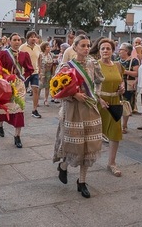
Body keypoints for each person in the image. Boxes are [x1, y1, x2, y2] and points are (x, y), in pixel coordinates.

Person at [53, 35, 104, 198]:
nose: (86, 48)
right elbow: (57, 90)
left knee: (89, 145)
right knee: (73, 144)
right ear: (75, 48)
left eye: (88, 45)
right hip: (73, 109)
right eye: (83, 45)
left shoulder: (92, 63)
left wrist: (96, 95)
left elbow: (99, 80)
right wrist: (74, 95)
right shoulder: (66, 66)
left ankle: (82, 181)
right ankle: (64, 166)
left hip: (89, 107)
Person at [0, 32, 33, 148]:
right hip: (6, 84)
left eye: (18, 40)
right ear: (9, 41)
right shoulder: (3, 54)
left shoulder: (24, 55)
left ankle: (17, 136)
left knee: (19, 109)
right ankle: (0, 124)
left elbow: (29, 69)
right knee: (4, 108)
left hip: (19, 85)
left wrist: (23, 77)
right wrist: (5, 77)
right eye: (14, 40)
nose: (17, 42)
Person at [97, 38, 125, 176]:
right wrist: (99, 99)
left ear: (113, 51)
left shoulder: (118, 65)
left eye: (108, 48)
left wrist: (122, 87)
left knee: (115, 132)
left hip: (114, 101)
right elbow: (90, 85)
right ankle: (87, 159)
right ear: (99, 51)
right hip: (99, 101)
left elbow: (121, 80)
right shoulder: (94, 65)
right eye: (103, 48)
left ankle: (111, 163)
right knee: (94, 132)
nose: (105, 51)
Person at [19, 31, 42, 118]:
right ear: (27, 38)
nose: (33, 38)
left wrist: (39, 68)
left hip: (35, 72)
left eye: (35, 37)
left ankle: (34, 109)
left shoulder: (38, 47)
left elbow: (39, 57)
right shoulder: (22, 47)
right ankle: (20, 108)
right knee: (22, 91)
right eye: (31, 37)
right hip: (24, 72)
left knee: (35, 90)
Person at [118, 42, 140, 132]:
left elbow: (136, 73)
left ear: (126, 51)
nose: (119, 51)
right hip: (118, 83)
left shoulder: (133, 60)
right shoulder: (117, 60)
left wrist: (126, 72)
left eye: (121, 50)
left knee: (125, 104)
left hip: (128, 84)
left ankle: (124, 125)